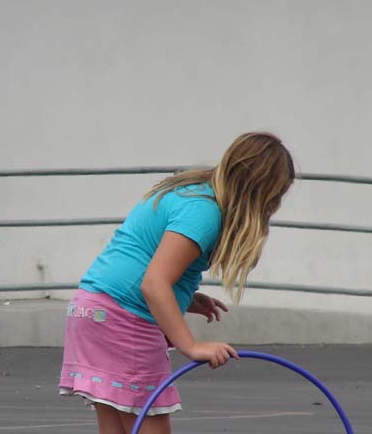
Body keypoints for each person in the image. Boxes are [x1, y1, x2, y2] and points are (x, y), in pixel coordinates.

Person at [59, 132, 295, 434]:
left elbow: (146, 264)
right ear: (257, 189)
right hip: (125, 322)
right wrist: (191, 345)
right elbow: (154, 283)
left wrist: (186, 297)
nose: (275, 205)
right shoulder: (204, 212)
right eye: (275, 195)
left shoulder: (193, 193)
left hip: (92, 310)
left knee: (116, 428)